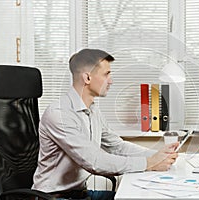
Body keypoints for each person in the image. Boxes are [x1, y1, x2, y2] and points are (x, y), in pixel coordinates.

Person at [32, 48, 179, 200]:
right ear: (87, 78)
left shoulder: (92, 110)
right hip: (52, 197)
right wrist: (149, 163)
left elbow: (117, 146)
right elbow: (94, 162)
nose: (111, 80)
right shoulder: (60, 114)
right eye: (106, 74)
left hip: (80, 194)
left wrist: (158, 155)